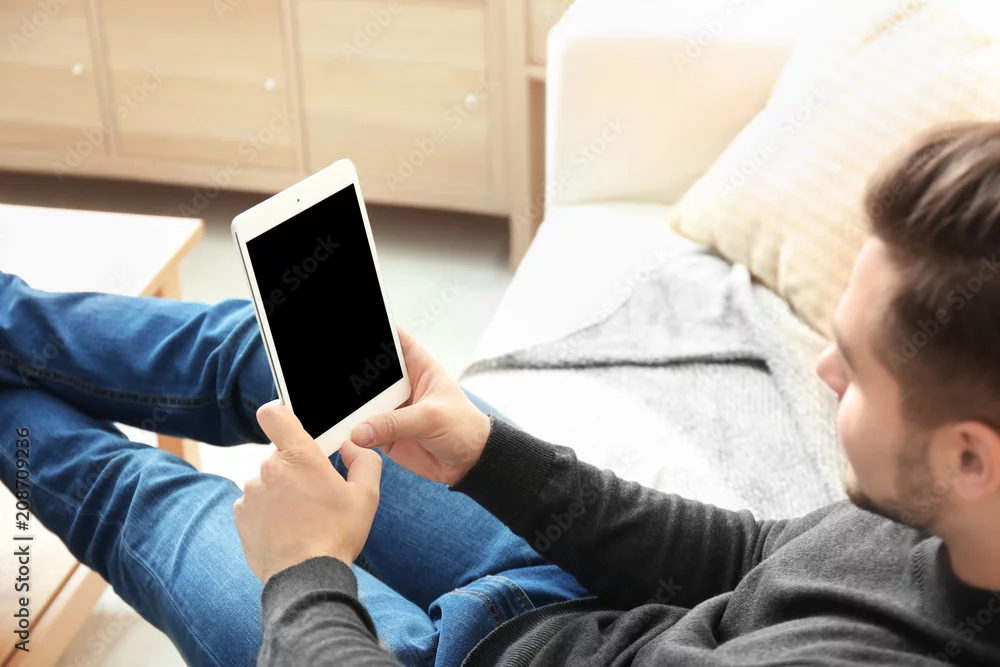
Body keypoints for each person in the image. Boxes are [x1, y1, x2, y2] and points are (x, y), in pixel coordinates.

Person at [3, 121, 1000, 667]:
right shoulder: (939, 515)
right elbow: (742, 558)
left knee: (142, 497)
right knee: (280, 357)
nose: (822, 369)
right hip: (573, 607)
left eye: (855, 366)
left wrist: (303, 573)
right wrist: (487, 452)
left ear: (969, 455)